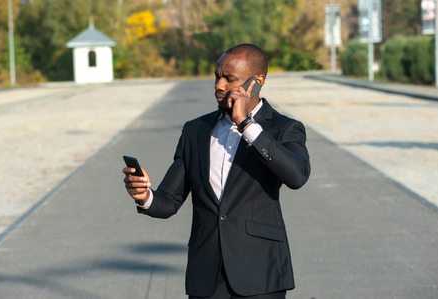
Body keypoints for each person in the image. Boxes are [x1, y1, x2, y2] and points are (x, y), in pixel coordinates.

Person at [123, 44, 310, 298]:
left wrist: (247, 125)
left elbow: (297, 176)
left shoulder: (283, 128)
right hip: (206, 276)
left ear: (257, 82)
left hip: (260, 275)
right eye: (217, 76)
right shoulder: (195, 130)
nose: (219, 85)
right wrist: (144, 195)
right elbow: (169, 200)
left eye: (229, 79)